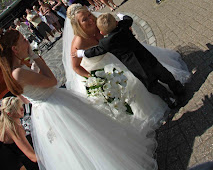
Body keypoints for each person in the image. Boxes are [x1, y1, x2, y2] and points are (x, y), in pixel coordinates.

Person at [0, 29, 161, 170]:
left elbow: (27, 97)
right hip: (54, 105)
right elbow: (52, 81)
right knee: (85, 140)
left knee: (84, 140)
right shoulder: (18, 72)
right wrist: (35, 57)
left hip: (44, 109)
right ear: (15, 49)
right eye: (23, 40)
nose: (27, 42)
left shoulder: (14, 72)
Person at [63, 4, 191, 124]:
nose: (91, 19)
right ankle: (171, 93)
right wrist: (93, 78)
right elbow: (76, 66)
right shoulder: (79, 42)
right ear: (78, 25)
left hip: (131, 57)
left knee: (156, 76)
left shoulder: (100, 23)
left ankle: (172, 94)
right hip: (109, 67)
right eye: (85, 19)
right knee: (144, 81)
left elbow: (106, 38)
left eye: (89, 15)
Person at [0, 96, 39, 170]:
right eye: (17, 109)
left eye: (21, 106)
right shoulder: (15, 128)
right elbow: (33, 157)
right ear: (9, 113)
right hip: (5, 155)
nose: (22, 109)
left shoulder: (9, 119)